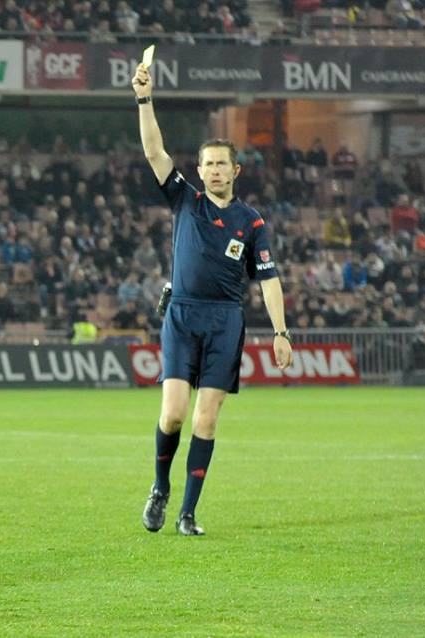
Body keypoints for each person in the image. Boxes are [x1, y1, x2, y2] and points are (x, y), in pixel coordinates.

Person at [132, 64, 293, 536]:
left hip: (225, 321)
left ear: (235, 170)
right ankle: (159, 487)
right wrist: (144, 100)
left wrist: (281, 332)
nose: (216, 170)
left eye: (224, 163)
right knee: (174, 413)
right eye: (209, 164)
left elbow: (268, 278)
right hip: (182, 314)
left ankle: (187, 512)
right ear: (199, 171)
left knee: (207, 417)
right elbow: (153, 150)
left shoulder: (251, 221)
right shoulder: (185, 200)